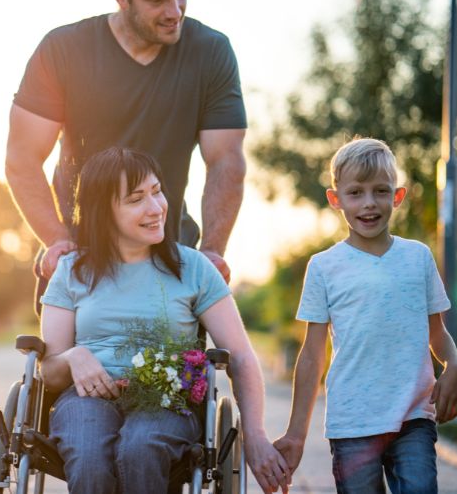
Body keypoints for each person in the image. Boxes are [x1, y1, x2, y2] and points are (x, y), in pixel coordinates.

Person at [39, 147, 290, 494]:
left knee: (141, 449)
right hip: (85, 400)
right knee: (89, 456)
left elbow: (241, 356)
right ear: (103, 212)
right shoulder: (71, 271)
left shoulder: (194, 268)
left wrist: (256, 436)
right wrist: (72, 357)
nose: (156, 208)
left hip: (168, 400)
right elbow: (49, 373)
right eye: (136, 199)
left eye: (157, 191)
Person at [5, 0, 247, 314]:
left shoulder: (210, 51)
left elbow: (225, 159)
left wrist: (212, 251)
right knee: (68, 352)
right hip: (80, 262)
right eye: (157, 0)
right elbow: (22, 158)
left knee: (178, 354)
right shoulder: (63, 50)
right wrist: (57, 240)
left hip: (172, 262)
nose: (174, 12)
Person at [273, 138, 457, 493]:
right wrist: (296, 435)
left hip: (413, 418)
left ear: (398, 195)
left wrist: (454, 365)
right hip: (352, 423)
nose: (369, 203)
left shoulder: (418, 257)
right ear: (335, 199)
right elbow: (312, 354)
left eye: (380, 191)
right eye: (355, 193)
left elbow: (436, 332)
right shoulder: (323, 267)